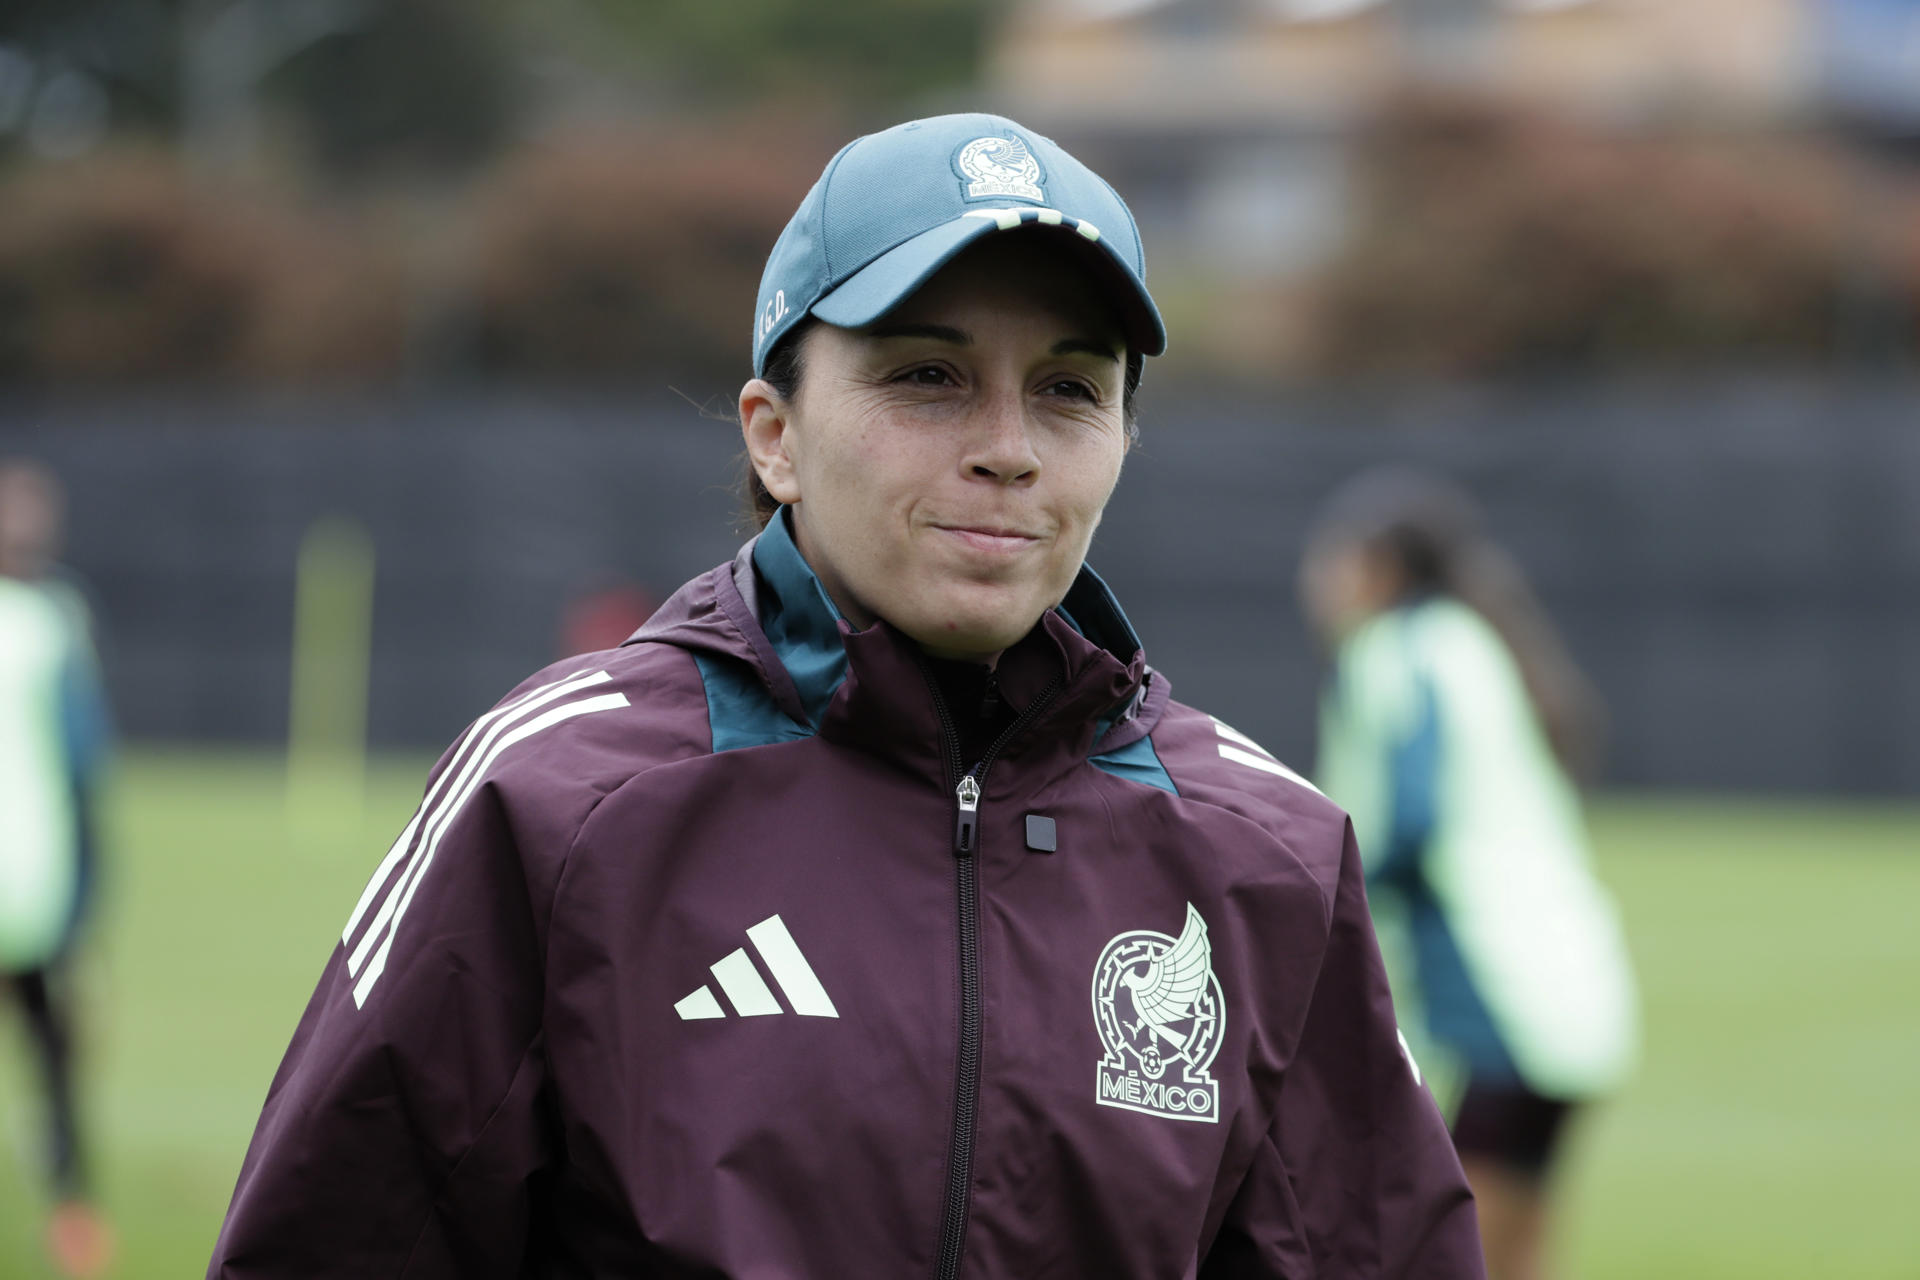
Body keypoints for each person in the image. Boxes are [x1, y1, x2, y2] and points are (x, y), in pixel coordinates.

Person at [209, 114, 1483, 1278]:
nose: (1008, 444)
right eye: (927, 375)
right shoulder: (556, 800)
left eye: (1070, 388)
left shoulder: (1270, 854)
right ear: (774, 432)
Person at [1300, 469, 1637, 1280]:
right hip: (1577, 988)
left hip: (1498, 994)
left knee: (1444, 1247)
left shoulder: (1395, 652)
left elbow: (1408, 818)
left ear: (1377, 569)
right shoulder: (1478, 643)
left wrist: (1317, 910)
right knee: (1519, 1238)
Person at [0, 459, 115, 1279]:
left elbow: (84, 767)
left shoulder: (58, 614)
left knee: (55, 1056)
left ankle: (73, 1214)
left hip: (36, 887)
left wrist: (88, 897)